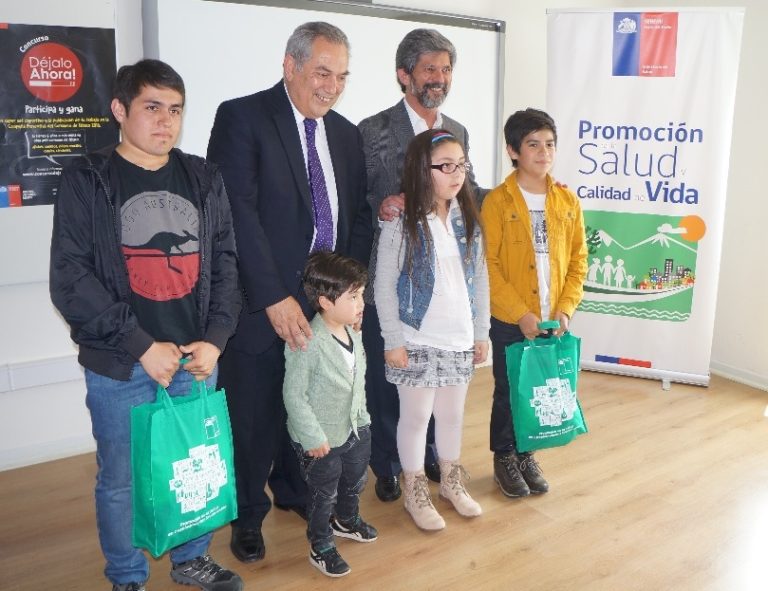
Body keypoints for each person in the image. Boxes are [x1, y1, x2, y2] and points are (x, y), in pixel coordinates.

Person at [49, 59, 243, 591]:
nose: (166, 121)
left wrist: (216, 339)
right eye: (152, 107)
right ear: (120, 109)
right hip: (121, 363)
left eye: (175, 110)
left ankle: (191, 560)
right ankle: (127, 576)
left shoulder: (203, 177)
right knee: (121, 479)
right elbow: (70, 279)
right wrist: (140, 345)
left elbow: (226, 263)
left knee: (194, 467)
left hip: (196, 358)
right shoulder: (87, 178)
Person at [206, 22, 372, 563]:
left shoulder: (346, 134)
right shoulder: (243, 118)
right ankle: (247, 515)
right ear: (290, 65)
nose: (332, 87)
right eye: (322, 73)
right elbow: (236, 214)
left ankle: (297, 493)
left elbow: (355, 219)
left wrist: (348, 294)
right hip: (262, 302)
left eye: (342, 76)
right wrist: (273, 295)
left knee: (312, 406)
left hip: (324, 303)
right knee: (253, 415)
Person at [358, 28, 487, 503]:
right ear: (404, 74)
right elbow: (357, 196)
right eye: (429, 68)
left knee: (443, 387)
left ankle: (435, 459)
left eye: (446, 69)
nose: (439, 78)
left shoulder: (459, 132)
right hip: (394, 277)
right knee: (392, 383)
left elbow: (468, 193)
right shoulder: (372, 129)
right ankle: (390, 467)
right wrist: (381, 206)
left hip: (446, 288)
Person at [374, 129, 489, 531]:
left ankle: (451, 482)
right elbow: (384, 285)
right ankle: (415, 489)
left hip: (458, 337)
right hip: (417, 336)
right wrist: (393, 340)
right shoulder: (401, 222)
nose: (456, 174)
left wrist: (480, 331)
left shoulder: (466, 218)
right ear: (423, 170)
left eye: (461, 165)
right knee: (417, 416)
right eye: (446, 166)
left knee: (452, 415)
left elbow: (480, 278)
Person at [480, 108, 587, 499]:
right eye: (533, 144)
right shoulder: (497, 202)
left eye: (550, 144)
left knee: (540, 388)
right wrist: (520, 313)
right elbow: (488, 265)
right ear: (513, 150)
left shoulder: (567, 201)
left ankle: (527, 454)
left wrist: (565, 309)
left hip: (552, 317)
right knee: (509, 389)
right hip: (512, 318)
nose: (544, 153)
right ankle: (504, 456)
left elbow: (578, 261)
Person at [283, 252, 377, 577]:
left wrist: (363, 420)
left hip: (355, 427)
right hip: (320, 438)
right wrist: (312, 437)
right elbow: (294, 395)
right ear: (325, 302)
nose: (361, 303)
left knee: (355, 480)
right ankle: (321, 543)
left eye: (361, 294)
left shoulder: (352, 331)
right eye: (353, 297)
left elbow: (355, 378)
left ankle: (347, 520)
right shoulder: (307, 343)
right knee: (324, 494)